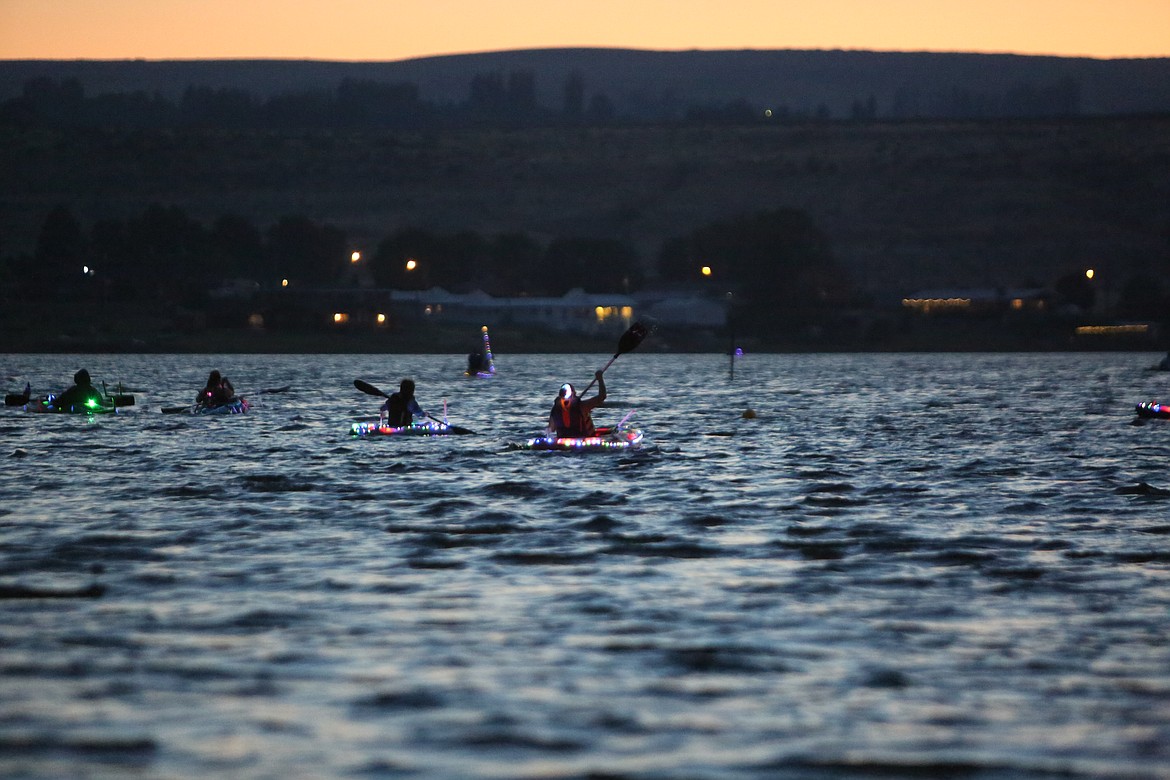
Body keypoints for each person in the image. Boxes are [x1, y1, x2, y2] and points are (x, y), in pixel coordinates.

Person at [548, 371, 606, 438]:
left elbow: (551, 429)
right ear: (573, 394)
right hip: (582, 439)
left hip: (563, 439)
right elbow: (602, 396)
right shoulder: (582, 406)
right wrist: (600, 379)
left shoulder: (555, 409)